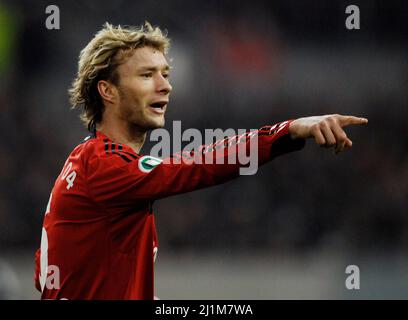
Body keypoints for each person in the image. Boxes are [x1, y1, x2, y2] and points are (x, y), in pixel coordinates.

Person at [34, 22, 368, 300]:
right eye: (147, 75)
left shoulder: (87, 162)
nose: (165, 86)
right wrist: (288, 132)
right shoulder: (104, 165)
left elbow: (47, 274)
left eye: (165, 74)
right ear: (108, 91)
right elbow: (197, 165)